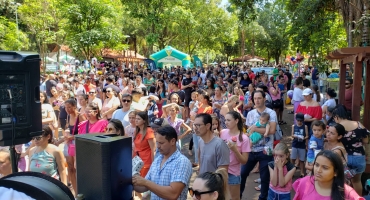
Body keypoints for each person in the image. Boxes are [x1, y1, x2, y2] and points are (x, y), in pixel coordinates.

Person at [132, 126, 192, 200]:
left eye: (161, 143)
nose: (158, 146)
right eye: (157, 142)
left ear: (173, 141)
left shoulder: (182, 162)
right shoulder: (157, 160)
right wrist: (131, 179)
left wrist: (145, 182)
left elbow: (173, 194)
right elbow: (143, 187)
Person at [241, 90, 277, 200]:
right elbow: (247, 131)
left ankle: (263, 198)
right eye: (255, 98)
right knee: (242, 173)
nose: (257, 100)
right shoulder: (251, 113)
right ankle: (238, 196)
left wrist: (255, 128)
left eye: (259, 98)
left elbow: (271, 130)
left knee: (265, 178)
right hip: (251, 150)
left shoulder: (271, 113)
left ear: (264, 99)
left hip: (266, 151)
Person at [293, 150, 362, 200]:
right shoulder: (305, 182)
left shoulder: (347, 193)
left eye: (325, 168)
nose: (318, 170)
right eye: (316, 165)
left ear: (336, 172)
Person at [332, 104, 369, 196]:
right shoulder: (358, 124)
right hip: (359, 157)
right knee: (357, 181)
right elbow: (366, 140)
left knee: (342, 181)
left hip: (344, 158)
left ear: (336, 117)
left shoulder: (337, 127)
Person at [220, 111, 250, 200]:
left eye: (228, 120)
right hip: (220, 170)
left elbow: (244, 161)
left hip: (233, 173)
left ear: (236, 121)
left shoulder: (244, 138)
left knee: (234, 198)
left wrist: (235, 150)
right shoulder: (222, 133)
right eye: (225, 120)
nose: (226, 122)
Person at [133, 111, 156, 178]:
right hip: (137, 160)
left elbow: (153, 149)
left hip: (146, 161)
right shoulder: (137, 131)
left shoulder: (149, 131)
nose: (136, 120)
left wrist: (153, 164)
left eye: (138, 119)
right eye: (136, 118)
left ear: (144, 121)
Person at [290, 113, 308, 177]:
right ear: (296, 120)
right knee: (293, 159)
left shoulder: (305, 127)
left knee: (302, 160)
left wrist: (305, 140)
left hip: (302, 145)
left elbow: (307, 136)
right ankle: (292, 172)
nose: (299, 122)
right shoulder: (294, 126)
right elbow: (292, 135)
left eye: (301, 121)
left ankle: (302, 172)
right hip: (295, 144)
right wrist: (295, 136)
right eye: (298, 121)